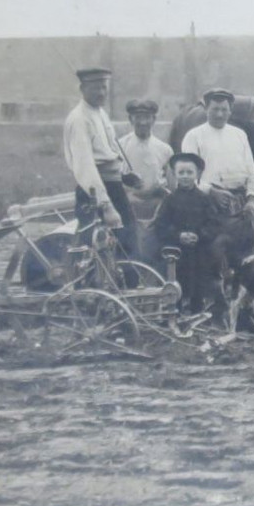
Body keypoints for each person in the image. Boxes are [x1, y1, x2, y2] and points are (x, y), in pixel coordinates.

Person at [61, 67, 138, 259]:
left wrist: (125, 175)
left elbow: (110, 150)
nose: (101, 93)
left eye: (104, 87)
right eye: (95, 88)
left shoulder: (100, 112)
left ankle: (126, 286)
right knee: (94, 248)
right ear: (82, 88)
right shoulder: (79, 119)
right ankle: (89, 288)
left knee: (127, 241)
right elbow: (85, 167)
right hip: (94, 193)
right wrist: (107, 206)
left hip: (113, 185)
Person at [179, 88, 254, 269]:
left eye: (224, 110)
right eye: (215, 109)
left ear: (230, 111)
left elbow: (251, 172)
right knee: (213, 257)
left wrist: (252, 199)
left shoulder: (240, 135)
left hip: (240, 204)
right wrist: (211, 191)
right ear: (206, 109)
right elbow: (187, 175)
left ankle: (242, 295)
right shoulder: (194, 136)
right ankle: (216, 294)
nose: (220, 114)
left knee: (245, 259)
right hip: (210, 204)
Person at [152, 152, 225, 319]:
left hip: (198, 251)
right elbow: (160, 225)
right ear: (175, 174)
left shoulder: (204, 199)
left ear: (197, 174)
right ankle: (173, 313)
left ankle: (197, 311)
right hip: (175, 252)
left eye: (189, 172)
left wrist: (199, 235)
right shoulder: (170, 200)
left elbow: (214, 224)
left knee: (198, 281)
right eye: (181, 173)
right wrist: (178, 235)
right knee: (175, 280)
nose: (185, 177)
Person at [117, 99, 173, 265]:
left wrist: (161, 191)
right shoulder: (120, 146)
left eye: (147, 117)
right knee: (132, 250)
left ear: (153, 120)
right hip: (129, 206)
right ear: (130, 120)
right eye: (138, 117)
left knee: (155, 250)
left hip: (156, 208)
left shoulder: (164, 149)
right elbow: (116, 180)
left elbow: (170, 183)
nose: (142, 122)